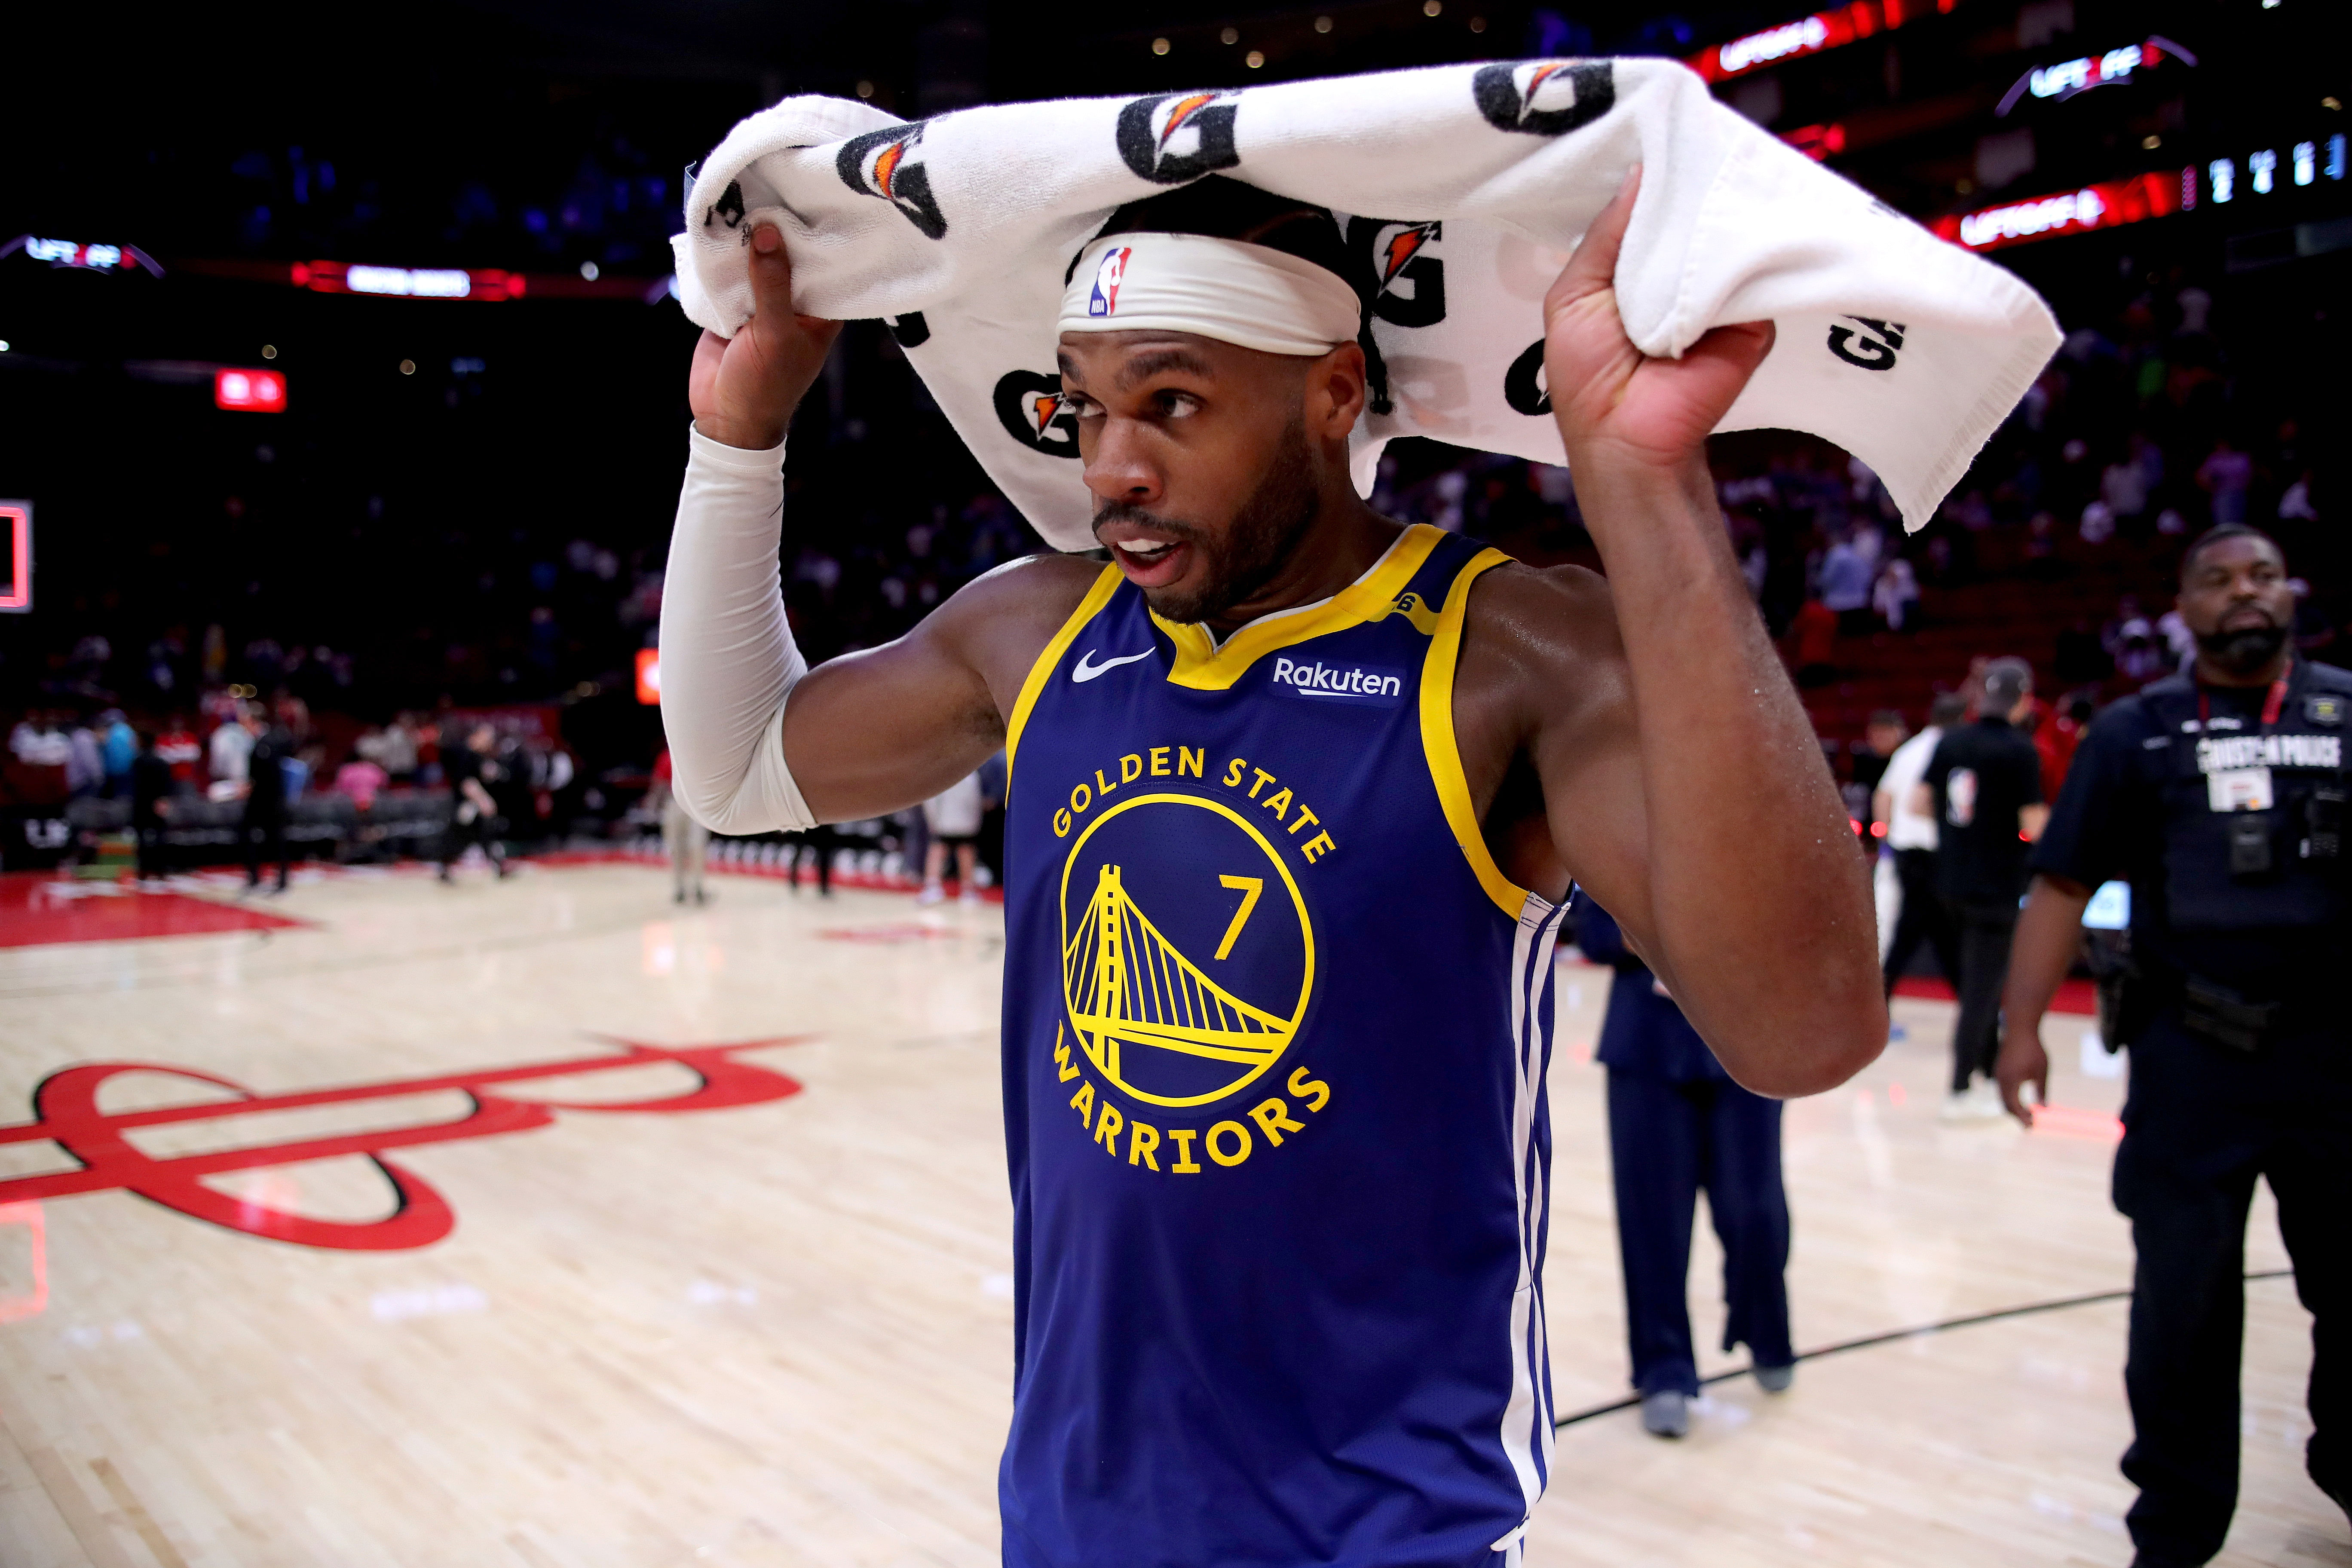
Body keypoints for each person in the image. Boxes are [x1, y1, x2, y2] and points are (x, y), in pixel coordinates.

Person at [658, 173, 1883, 1565]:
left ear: (1330, 392)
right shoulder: (1037, 626)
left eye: (1171, 403)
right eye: (1085, 404)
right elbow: (736, 763)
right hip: (1070, 1514)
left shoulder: (1510, 650)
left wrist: (1647, 491)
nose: (1110, 463)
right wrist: (736, 438)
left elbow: (1803, 1027)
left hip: (1394, 1528)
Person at [1997, 524, 2350, 1568]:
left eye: (2260, 575)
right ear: (2181, 608)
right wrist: (2016, 1031)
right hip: (2190, 1057)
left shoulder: (2344, 709)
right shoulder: (2133, 731)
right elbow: (2059, 882)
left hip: (2336, 1064)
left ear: (2289, 592)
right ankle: (2175, 1533)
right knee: (2181, 1313)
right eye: (2216, 579)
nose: (2242, 592)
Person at [1577, 897, 1793, 1441]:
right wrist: (1691, 929)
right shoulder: (1617, 830)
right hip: (1645, 1045)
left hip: (1747, 1038)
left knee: (1756, 1210)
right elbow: (1597, 935)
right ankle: (1663, 1371)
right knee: (1652, 1225)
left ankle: (1766, 1331)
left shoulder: (1761, 827)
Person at [1911, 660, 2047, 1120]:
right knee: (1982, 992)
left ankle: (1987, 1075)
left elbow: (1920, 802)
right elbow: (2033, 825)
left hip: (1947, 882)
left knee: (1978, 987)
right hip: (1996, 886)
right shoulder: (2020, 751)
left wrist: (1959, 836)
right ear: (2024, 699)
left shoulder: (1951, 742)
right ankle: (1960, 1088)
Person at [1877, 693, 1967, 1004]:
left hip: (1905, 851)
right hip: (1933, 853)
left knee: (1925, 931)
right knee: (1930, 932)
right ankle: (1975, 1010)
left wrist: (1886, 838)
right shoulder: (1951, 750)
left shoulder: (1909, 749)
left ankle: (1974, 1008)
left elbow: (1883, 796)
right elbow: (1925, 803)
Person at [439, 722, 512, 882]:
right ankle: (445, 868)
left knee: (484, 834)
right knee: (461, 835)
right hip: (466, 805)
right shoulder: (465, 753)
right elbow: (467, 783)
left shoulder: (477, 756)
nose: (490, 742)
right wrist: (484, 801)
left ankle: (499, 866)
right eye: (488, 738)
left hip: (472, 806)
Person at [239, 707, 295, 894]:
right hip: (259, 800)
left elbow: (269, 775)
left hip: (270, 801)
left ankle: (281, 881)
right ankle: (255, 878)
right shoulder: (256, 744)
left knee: (277, 840)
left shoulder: (268, 743)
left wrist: (252, 787)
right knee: (249, 834)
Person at [918, 767, 986, 906]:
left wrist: (932, 821)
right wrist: (975, 823)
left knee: (958, 853)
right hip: (954, 822)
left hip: (949, 822)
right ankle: (963, 891)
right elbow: (975, 802)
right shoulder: (969, 776)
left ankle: (962, 890)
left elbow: (974, 801)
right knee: (946, 852)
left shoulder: (945, 776)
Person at [649, 746, 707, 905]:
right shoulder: (667, 757)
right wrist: (653, 806)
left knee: (697, 847)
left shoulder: (695, 755)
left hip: (694, 804)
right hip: (676, 804)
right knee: (677, 848)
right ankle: (681, 889)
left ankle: (697, 888)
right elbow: (660, 783)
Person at [128, 731, 176, 881]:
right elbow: (168, 785)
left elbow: (136, 785)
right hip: (158, 804)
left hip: (142, 804)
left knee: (142, 838)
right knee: (160, 837)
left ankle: (143, 871)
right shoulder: (162, 762)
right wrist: (163, 800)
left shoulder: (137, 762)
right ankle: (161, 870)